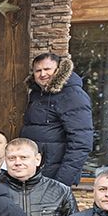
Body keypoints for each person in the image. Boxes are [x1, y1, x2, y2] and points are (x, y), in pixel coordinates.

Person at [21, 52, 94, 186]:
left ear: (59, 70)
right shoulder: (37, 94)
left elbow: (81, 143)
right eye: (38, 71)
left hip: (54, 177)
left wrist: (61, 182)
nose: (43, 74)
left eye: (47, 69)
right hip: (35, 174)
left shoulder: (72, 95)